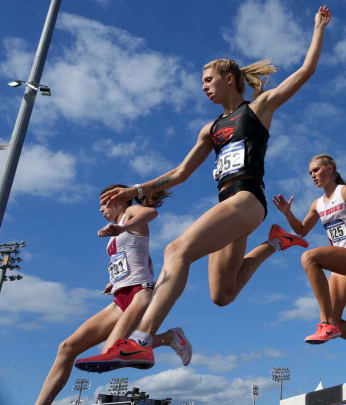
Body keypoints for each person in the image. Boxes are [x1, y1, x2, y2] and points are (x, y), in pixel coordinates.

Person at [77, 6, 331, 371]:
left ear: (230, 78)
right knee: (222, 294)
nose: (203, 86)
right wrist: (135, 189)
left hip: (247, 198)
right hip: (229, 206)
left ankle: (142, 341)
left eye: (208, 79)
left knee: (177, 249)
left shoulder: (257, 109)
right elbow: (180, 173)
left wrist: (318, 28)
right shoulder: (209, 130)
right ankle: (277, 241)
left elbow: (305, 72)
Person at [35, 185, 191, 405]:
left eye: (103, 203)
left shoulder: (131, 214)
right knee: (66, 348)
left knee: (111, 352)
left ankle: (170, 337)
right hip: (120, 298)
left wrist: (122, 228)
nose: (100, 210)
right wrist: (114, 281)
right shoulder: (118, 229)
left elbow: (151, 213)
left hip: (139, 293)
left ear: (118, 200)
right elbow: (143, 260)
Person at [272, 154, 346, 379]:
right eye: (310, 173)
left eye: (316, 170)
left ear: (331, 168)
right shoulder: (317, 204)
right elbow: (301, 230)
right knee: (338, 323)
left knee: (309, 257)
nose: (313, 176)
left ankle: (325, 323)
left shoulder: (344, 191)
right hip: (340, 267)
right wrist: (287, 212)